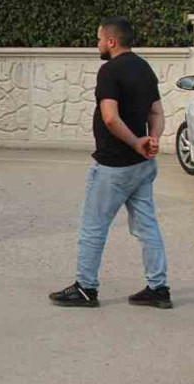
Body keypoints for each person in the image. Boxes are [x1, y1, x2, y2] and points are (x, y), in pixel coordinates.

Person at [50, 17, 171, 309]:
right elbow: (157, 113)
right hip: (142, 166)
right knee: (147, 226)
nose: (98, 44)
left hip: (113, 166)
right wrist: (150, 139)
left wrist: (136, 142)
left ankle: (86, 288)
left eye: (100, 39)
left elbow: (110, 117)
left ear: (112, 42)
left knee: (93, 227)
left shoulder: (109, 71)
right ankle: (158, 288)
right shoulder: (144, 67)